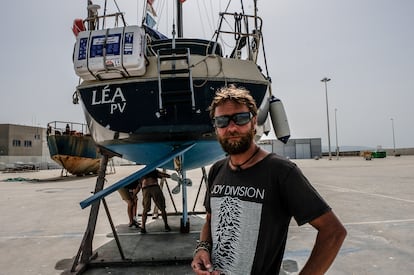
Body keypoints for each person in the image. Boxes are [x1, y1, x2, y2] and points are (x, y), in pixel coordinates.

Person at [191, 85, 347, 275]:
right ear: (216, 127)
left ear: (254, 121)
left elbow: (333, 232)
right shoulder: (217, 169)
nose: (231, 127)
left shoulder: (280, 171)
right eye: (222, 121)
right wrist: (203, 248)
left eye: (240, 119)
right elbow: (210, 219)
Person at [139, 169, 171, 233]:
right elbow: (162, 175)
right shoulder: (153, 170)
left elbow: (140, 182)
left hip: (145, 188)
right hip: (154, 187)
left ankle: (143, 227)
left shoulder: (143, 171)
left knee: (145, 209)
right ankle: (166, 225)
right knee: (162, 208)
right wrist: (170, 176)